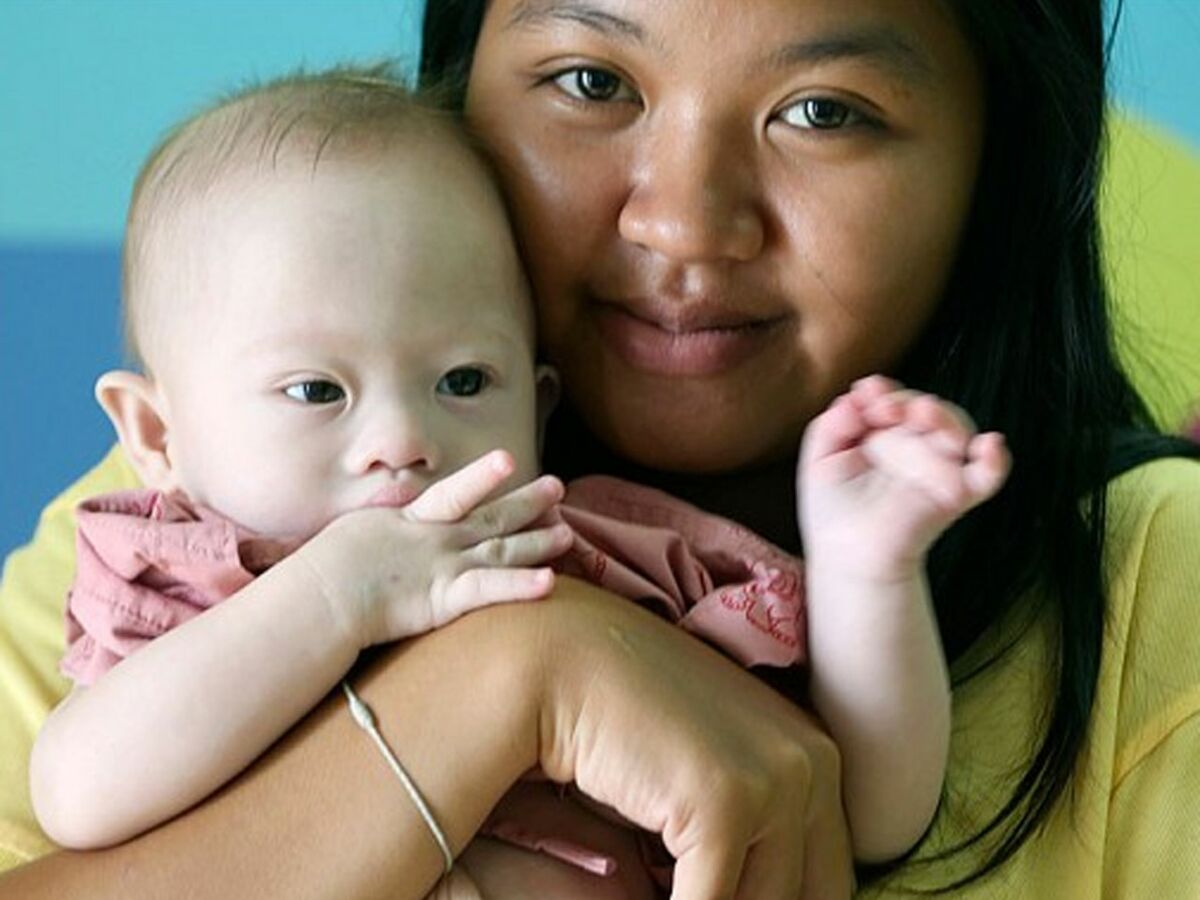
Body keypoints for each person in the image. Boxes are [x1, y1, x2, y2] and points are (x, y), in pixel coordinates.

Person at [1, 1, 1198, 897]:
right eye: (588, 79)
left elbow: (869, 805)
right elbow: (79, 788)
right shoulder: (180, 534)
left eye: (822, 111)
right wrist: (518, 680)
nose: (682, 218)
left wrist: (868, 573)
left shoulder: (616, 542)